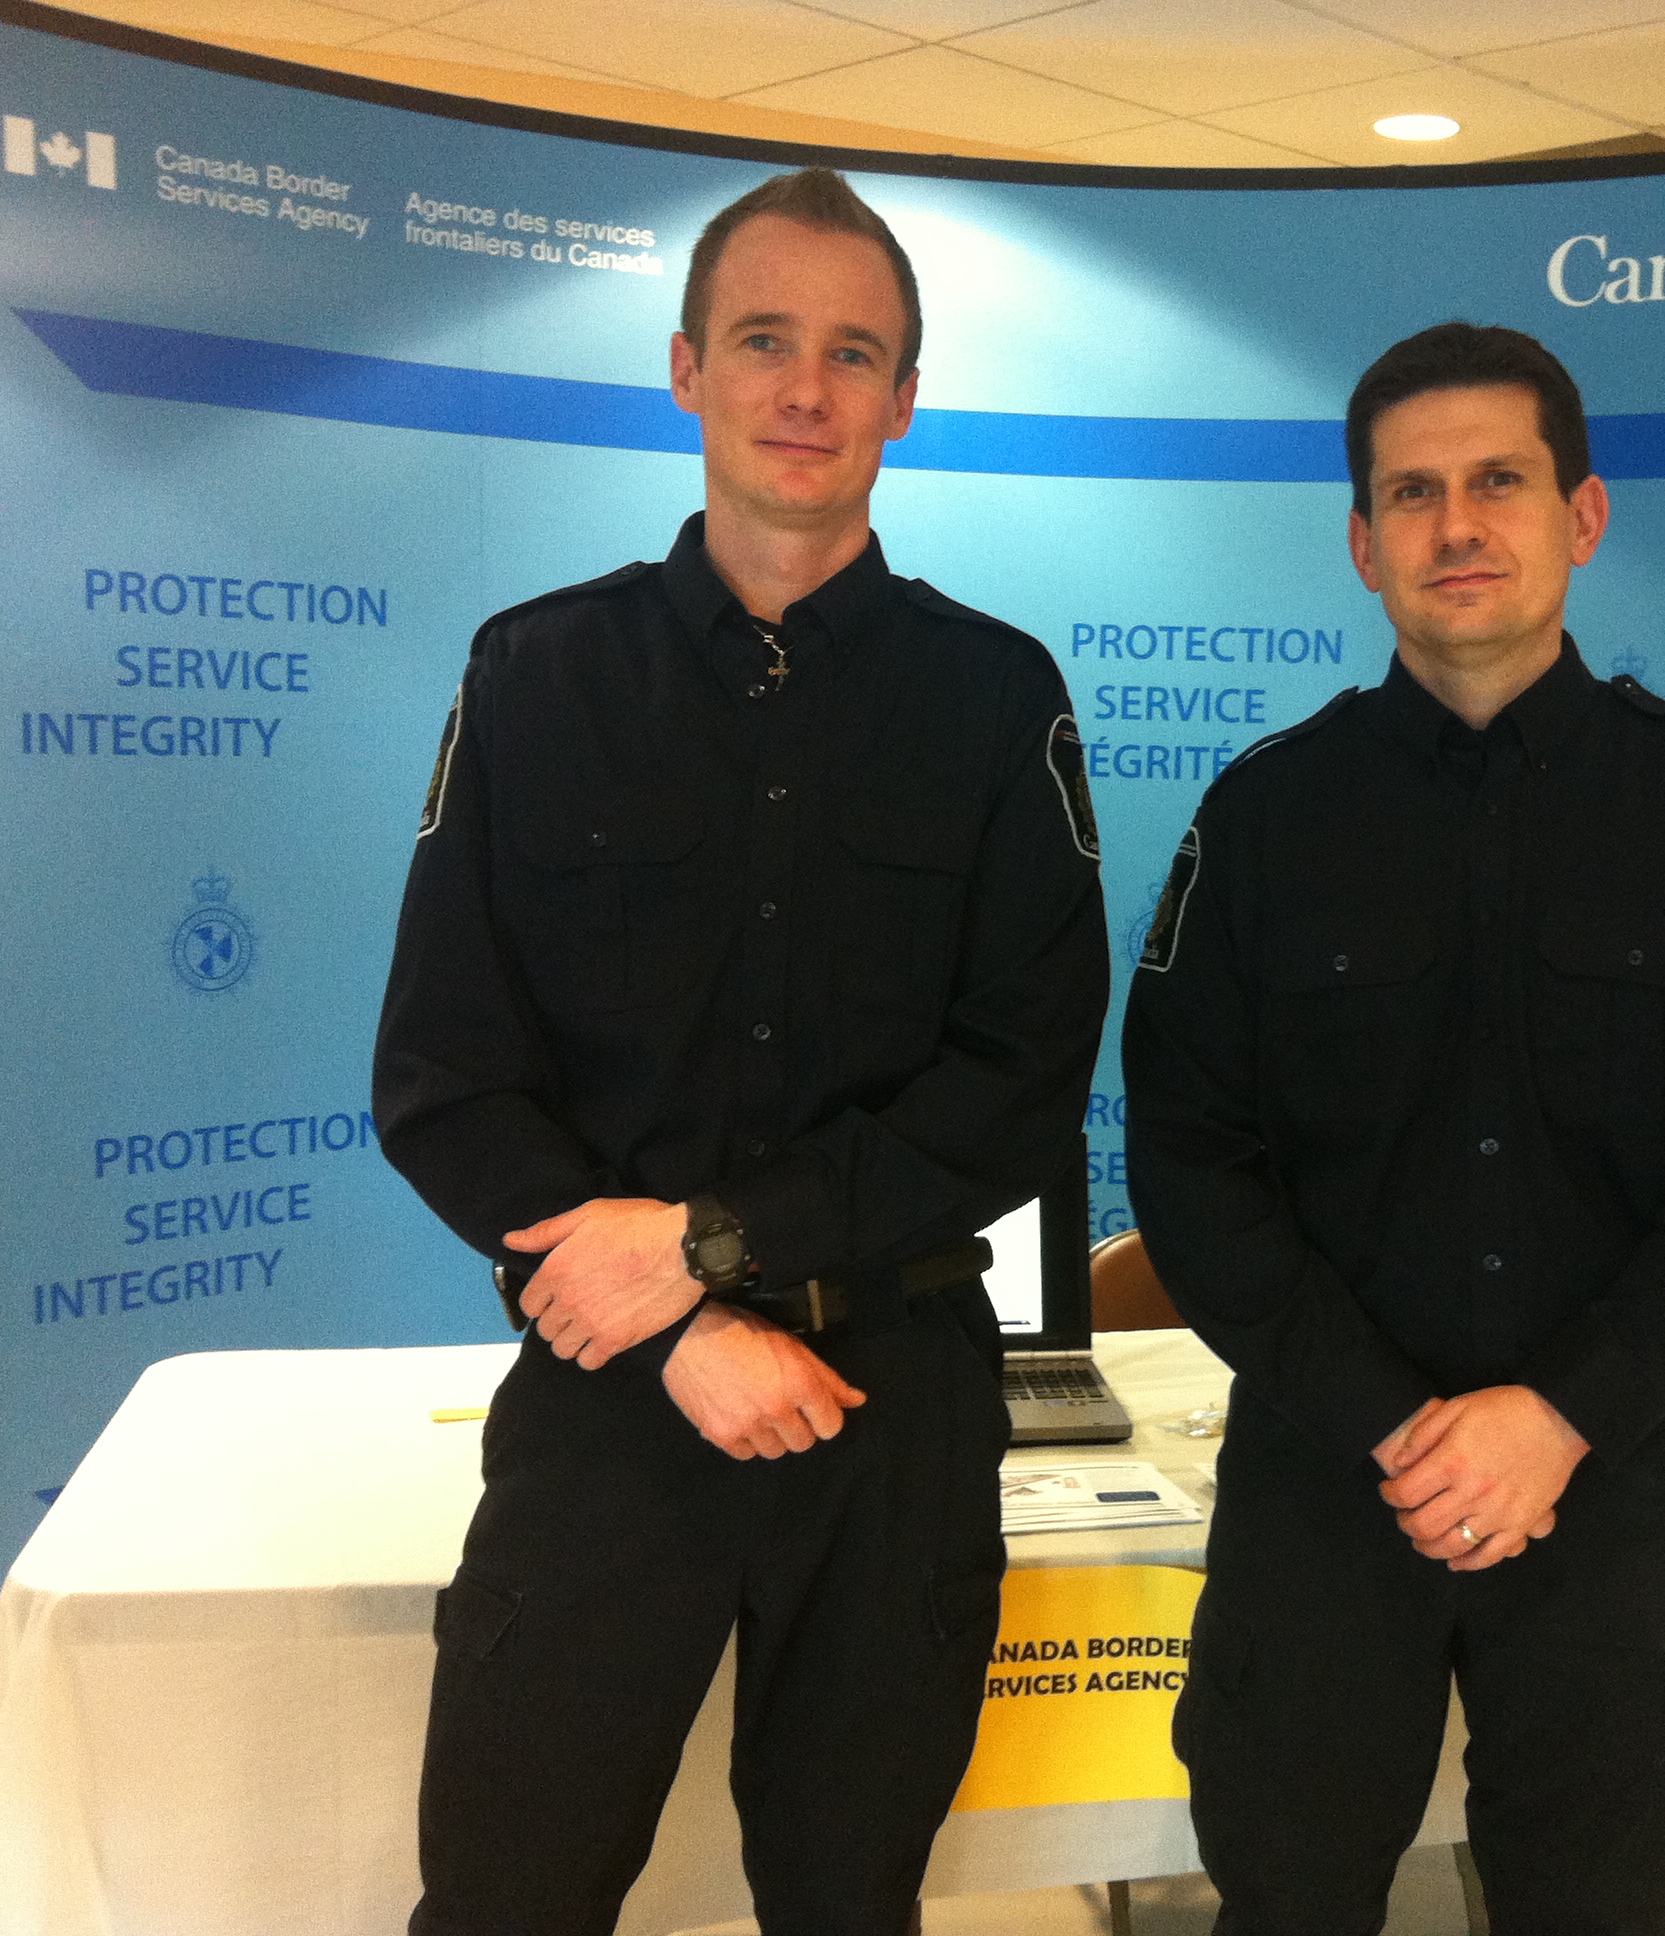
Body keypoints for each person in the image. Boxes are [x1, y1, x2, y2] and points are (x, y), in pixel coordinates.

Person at [374, 167, 1108, 1936]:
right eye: (766, 340)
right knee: (503, 1899)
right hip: (615, 1396)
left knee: (851, 1906)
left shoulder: (998, 701)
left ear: (905, 403)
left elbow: (1015, 1086)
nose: (807, 388)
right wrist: (687, 1324)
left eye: (855, 354)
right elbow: (444, 1081)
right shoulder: (536, 675)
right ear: (688, 366)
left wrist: (715, 1243)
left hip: (897, 1411)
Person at [1122, 322, 1665, 1936]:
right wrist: (1393, 1420)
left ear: (1580, 515)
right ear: (1361, 541)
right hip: (1328, 1485)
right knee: (1288, 1894)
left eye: (1498, 483)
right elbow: (1192, 1156)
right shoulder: (1266, 819)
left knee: (1595, 1906)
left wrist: (1560, 1414)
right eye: (1414, 492)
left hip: (1608, 1480)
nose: (1456, 525)